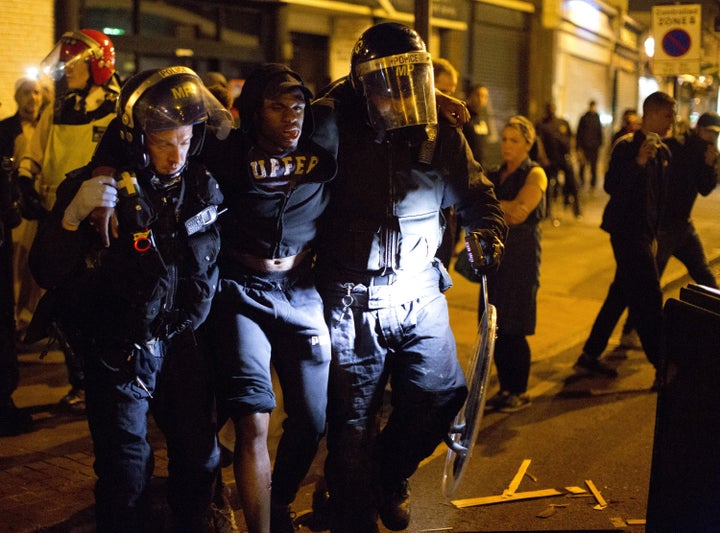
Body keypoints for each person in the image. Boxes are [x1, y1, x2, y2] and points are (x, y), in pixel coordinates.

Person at [311, 22, 507, 532]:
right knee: (352, 422)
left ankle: (387, 476)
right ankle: (352, 515)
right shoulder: (336, 125)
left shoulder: (440, 132)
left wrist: (488, 232)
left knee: (440, 398)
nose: (399, 92)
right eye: (386, 80)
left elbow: (478, 195)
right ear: (361, 83)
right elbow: (299, 124)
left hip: (421, 292)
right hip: (353, 298)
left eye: (411, 78)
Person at [29, 66, 233, 532]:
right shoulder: (95, 189)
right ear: (138, 138)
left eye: (183, 140)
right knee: (125, 472)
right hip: (118, 350)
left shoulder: (201, 186)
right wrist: (70, 219)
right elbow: (46, 269)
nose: (175, 154)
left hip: (183, 343)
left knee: (200, 457)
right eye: (163, 142)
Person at [201, 64, 337, 533]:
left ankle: (277, 504)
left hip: (302, 289)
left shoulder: (326, 137)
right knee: (253, 420)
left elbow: (372, 92)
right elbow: (154, 118)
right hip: (241, 290)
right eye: (277, 107)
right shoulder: (227, 151)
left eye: (297, 106)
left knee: (313, 419)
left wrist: (437, 100)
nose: (290, 117)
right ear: (254, 112)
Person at [17, 29, 121, 413]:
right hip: (59, 220)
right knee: (62, 305)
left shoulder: (118, 107)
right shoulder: (58, 106)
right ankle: (80, 381)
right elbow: (35, 150)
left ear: (98, 64)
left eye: (73, 63)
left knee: (100, 304)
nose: (65, 70)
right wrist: (26, 179)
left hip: (100, 224)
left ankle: (105, 380)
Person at [573, 91, 676, 384]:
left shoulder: (664, 153)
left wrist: (656, 234)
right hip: (626, 233)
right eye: (668, 115)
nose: (672, 122)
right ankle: (662, 364)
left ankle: (590, 355)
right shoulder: (626, 147)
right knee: (649, 296)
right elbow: (612, 188)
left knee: (621, 293)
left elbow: (658, 199)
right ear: (652, 114)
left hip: (645, 234)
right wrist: (639, 163)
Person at [483, 116, 547, 413]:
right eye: (505, 139)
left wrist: (492, 204)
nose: (507, 145)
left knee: (515, 327)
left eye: (514, 140)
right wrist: (501, 206)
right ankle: (506, 387)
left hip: (520, 260)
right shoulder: (495, 174)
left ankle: (518, 390)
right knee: (494, 326)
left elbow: (520, 212)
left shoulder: (535, 174)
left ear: (528, 144)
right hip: (495, 261)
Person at [0, 76, 43, 436]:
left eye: (38, 92)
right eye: (28, 92)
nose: (34, 98)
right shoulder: (5, 132)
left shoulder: (47, 127)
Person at [432, 57, 461, 268]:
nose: (449, 100)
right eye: (444, 92)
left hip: (445, 214)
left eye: (452, 92)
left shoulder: (451, 127)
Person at [536, 101, 580, 218]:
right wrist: (543, 158)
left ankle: (576, 208)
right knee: (547, 186)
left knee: (573, 183)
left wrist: (572, 152)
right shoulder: (541, 124)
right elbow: (539, 142)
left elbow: (571, 138)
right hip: (550, 160)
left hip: (564, 158)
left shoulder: (563, 122)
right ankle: (546, 211)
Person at [462, 84, 499, 169]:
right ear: (470, 95)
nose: (481, 99)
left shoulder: (483, 118)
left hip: (481, 166)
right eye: (478, 95)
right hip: (465, 167)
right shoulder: (463, 116)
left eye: (485, 96)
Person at [576, 100, 603, 190]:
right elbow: (579, 132)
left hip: (594, 147)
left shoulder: (596, 117)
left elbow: (599, 131)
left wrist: (600, 143)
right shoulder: (584, 118)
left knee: (593, 166)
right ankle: (581, 182)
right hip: (585, 146)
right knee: (582, 165)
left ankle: (593, 183)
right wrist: (578, 146)